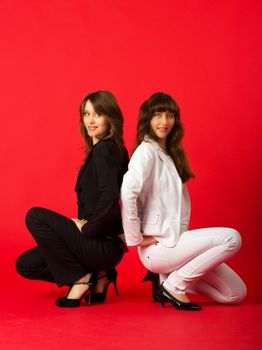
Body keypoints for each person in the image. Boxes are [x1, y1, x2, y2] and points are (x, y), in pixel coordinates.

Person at [121, 92, 247, 311]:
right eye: (158, 115)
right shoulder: (146, 151)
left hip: (177, 244)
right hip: (160, 247)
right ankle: (174, 284)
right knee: (231, 238)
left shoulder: (169, 153)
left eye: (169, 116)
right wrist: (135, 237)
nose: (164, 122)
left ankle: (168, 280)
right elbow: (127, 192)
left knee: (235, 293)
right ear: (147, 119)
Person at [16, 90, 129, 307]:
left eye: (98, 114)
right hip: (103, 247)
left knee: (35, 217)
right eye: (86, 114)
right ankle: (98, 276)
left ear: (110, 117)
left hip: (100, 244)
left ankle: (81, 279)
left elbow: (111, 196)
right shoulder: (115, 149)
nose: (91, 120)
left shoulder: (104, 150)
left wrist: (85, 230)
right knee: (26, 264)